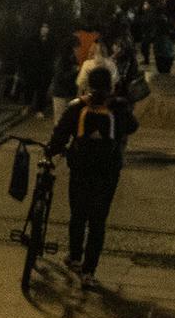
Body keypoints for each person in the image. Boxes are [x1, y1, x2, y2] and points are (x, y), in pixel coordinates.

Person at [44, 65, 138, 285]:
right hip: (108, 171)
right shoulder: (118, 107)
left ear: (88, 85)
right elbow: (133, 127)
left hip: (81, 168)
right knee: (98, 221)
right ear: (110, 85)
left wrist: (50, 152)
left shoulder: (77, 107)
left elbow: (60, 135)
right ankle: (89, 272)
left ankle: (74, 257)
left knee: (78, 214)